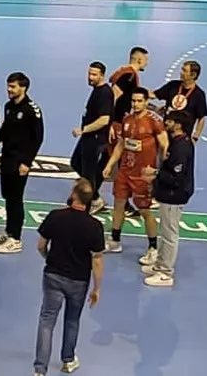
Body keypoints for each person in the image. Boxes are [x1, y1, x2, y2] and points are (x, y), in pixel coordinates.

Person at [33, 178, 104, 376]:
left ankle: (40, 369)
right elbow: (97, 260)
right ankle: (68, 359)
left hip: (53, 275)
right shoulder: (95, 226)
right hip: (79, 281)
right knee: (72, 320)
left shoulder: (56, 216)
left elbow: (41, 245)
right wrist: (97, 288)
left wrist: (49, 260)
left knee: (47, 320)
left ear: (74, 195)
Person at [102, 87, 168, 263]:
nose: (136, 104)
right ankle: (115, 240)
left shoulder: (154, 121)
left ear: (146, 102)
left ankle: (153, 248)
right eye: (133, 101)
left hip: (143, 175)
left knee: (145, 211)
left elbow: (164, 145)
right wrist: (110, 165)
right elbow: (121, 145)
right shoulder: (127, 119)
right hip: (125, 171)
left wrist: (160, 172)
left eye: (139, 101)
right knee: (118, 205)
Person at [0, 72, 44, 254]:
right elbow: (6, 127)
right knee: (7, 196)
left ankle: (16, 239)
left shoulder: (32, 110)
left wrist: (27, 162)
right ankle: (9, 230)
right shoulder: (8, 106)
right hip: (6, 157)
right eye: (8, 86)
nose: (9, 90)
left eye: (13, 87)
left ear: (23, 88)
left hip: (20, 162)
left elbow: (38, 139)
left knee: (16, 199)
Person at [141, 111, 194, 287]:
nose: (166, 123)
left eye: (169, 121)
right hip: (167, 194)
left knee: (170, 234)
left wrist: (154, 174)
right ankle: (160, 265)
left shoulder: (181, 147)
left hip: (174, 195)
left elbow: (175, 177)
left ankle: (166, 273)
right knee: (165, 232)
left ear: (178, 124)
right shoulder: (177, 142)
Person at [109, 46, 149, 216]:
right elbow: (112, 96)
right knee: (118, 162)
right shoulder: (129, 76)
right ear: (139, 60)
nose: (147, 63)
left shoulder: (125, 73)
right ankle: (115, 201)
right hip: (117, 125)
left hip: (119, 122)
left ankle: (120, 201)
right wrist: (110, 122)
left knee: (113, 161)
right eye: (146, 60)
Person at [70, 62, 113, 214]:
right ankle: (94, 197)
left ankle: (88, 204)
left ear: (102, 75)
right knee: (75, 162)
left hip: (95, 138)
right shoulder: (97, 90)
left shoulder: (104, 93)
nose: (90, 77)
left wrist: (84, 130)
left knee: (88, 174)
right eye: (89, 73)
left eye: (94, 74)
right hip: (88, 137)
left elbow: (104, 119)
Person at [150, 60, 207, 142]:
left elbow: (201, 118)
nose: (181, 73)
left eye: (184, 71)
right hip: (165, 133)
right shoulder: (173, 85)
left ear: (193, 75)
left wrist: (195, 137)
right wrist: (138, 92)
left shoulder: (199, 95)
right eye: (182, 69)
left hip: (182, 138)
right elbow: (154, 95)